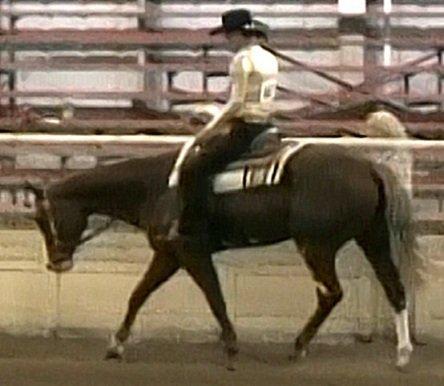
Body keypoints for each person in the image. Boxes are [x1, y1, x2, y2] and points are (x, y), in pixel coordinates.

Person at [168, 9, 279, 244]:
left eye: (229, 35)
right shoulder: (269, 57)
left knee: (193, 169)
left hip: (245, 128)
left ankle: (193, 227)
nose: (227, 41)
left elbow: (236, 103)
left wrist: (207, 131)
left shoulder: (242, 60)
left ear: (239, 34)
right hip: (266, 124)